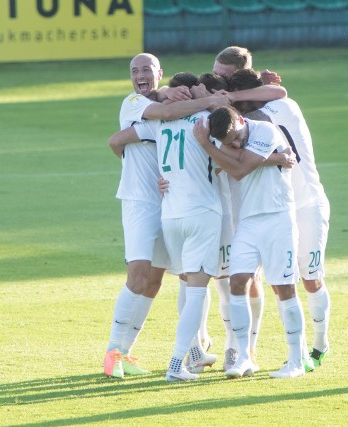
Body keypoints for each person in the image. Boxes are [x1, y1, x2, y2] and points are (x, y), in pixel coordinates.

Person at [104, 53, 230, 379]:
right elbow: (118, 139)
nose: (140, 75)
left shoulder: (162, 117)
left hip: (168, 203)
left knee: (156, 281)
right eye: (135, 70)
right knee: (138, 273)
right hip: (139, 201)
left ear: (160, 73)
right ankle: (112, 352)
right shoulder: (134, 103)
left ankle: (136, 353)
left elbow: (124, 139)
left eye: (147, 70)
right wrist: (209, 101)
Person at [228, 69, 332, 369]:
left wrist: (226, 100)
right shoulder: (258, 110)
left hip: (308, 203)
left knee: (310, 279)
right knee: (283, 282)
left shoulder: (276, 109)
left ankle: (320, 343)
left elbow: (276, 95)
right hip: (278, 208)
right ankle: (292, 352)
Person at [194, 106, 306, 379]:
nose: (234, 143)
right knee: (237, 282)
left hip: (278, 217)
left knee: (284, 287)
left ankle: (296, 361)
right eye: (228, 142)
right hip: (248, 221)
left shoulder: (264, 130)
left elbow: (241, 168)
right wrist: (275, 158)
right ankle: (244, 356)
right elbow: (235, 163)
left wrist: (207, 145)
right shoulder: (228, 142)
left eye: (236, 136)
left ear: (242, 120)